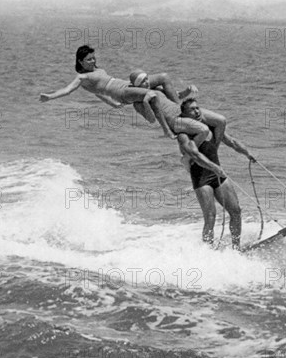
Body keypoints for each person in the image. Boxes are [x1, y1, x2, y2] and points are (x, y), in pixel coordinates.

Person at [39, 45, 195, 139]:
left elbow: (98, 94)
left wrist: (112, 104)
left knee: (163, 78)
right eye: (88, 60)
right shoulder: (82, 77)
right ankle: (167, 130)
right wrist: (50, 96)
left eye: (93, 58)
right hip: (122, 93)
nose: (93, 61)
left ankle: (180, 106)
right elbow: (68, 90)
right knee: (151, 95)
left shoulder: (97, 69)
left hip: (127, 85)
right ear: (80, 61)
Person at [176, 97, 256, 250]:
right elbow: (194, 155)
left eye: (197, 108)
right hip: (201, 178)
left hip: (217, 174)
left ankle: (236, 249)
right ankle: (208, 253)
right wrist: (212, 167)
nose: (197, 111)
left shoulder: (210, 128)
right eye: (192, 110)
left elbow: (231, 141)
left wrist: (247, 153)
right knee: (211, 217)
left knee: (236, 211)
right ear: (185, 116)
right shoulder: (184, 135)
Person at [128, 70, 226, 148]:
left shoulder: (156, 89)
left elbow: (177, 96)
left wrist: (187, 90)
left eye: (146, 79)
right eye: (142, 82)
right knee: (204, 130)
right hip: (174, 120)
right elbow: (151, 119)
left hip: (183, 110)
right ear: (137, 87)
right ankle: (189, 155)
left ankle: (214, 150)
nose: (147, 82)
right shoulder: (138, 103)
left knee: (221, 121)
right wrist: (146, 102)